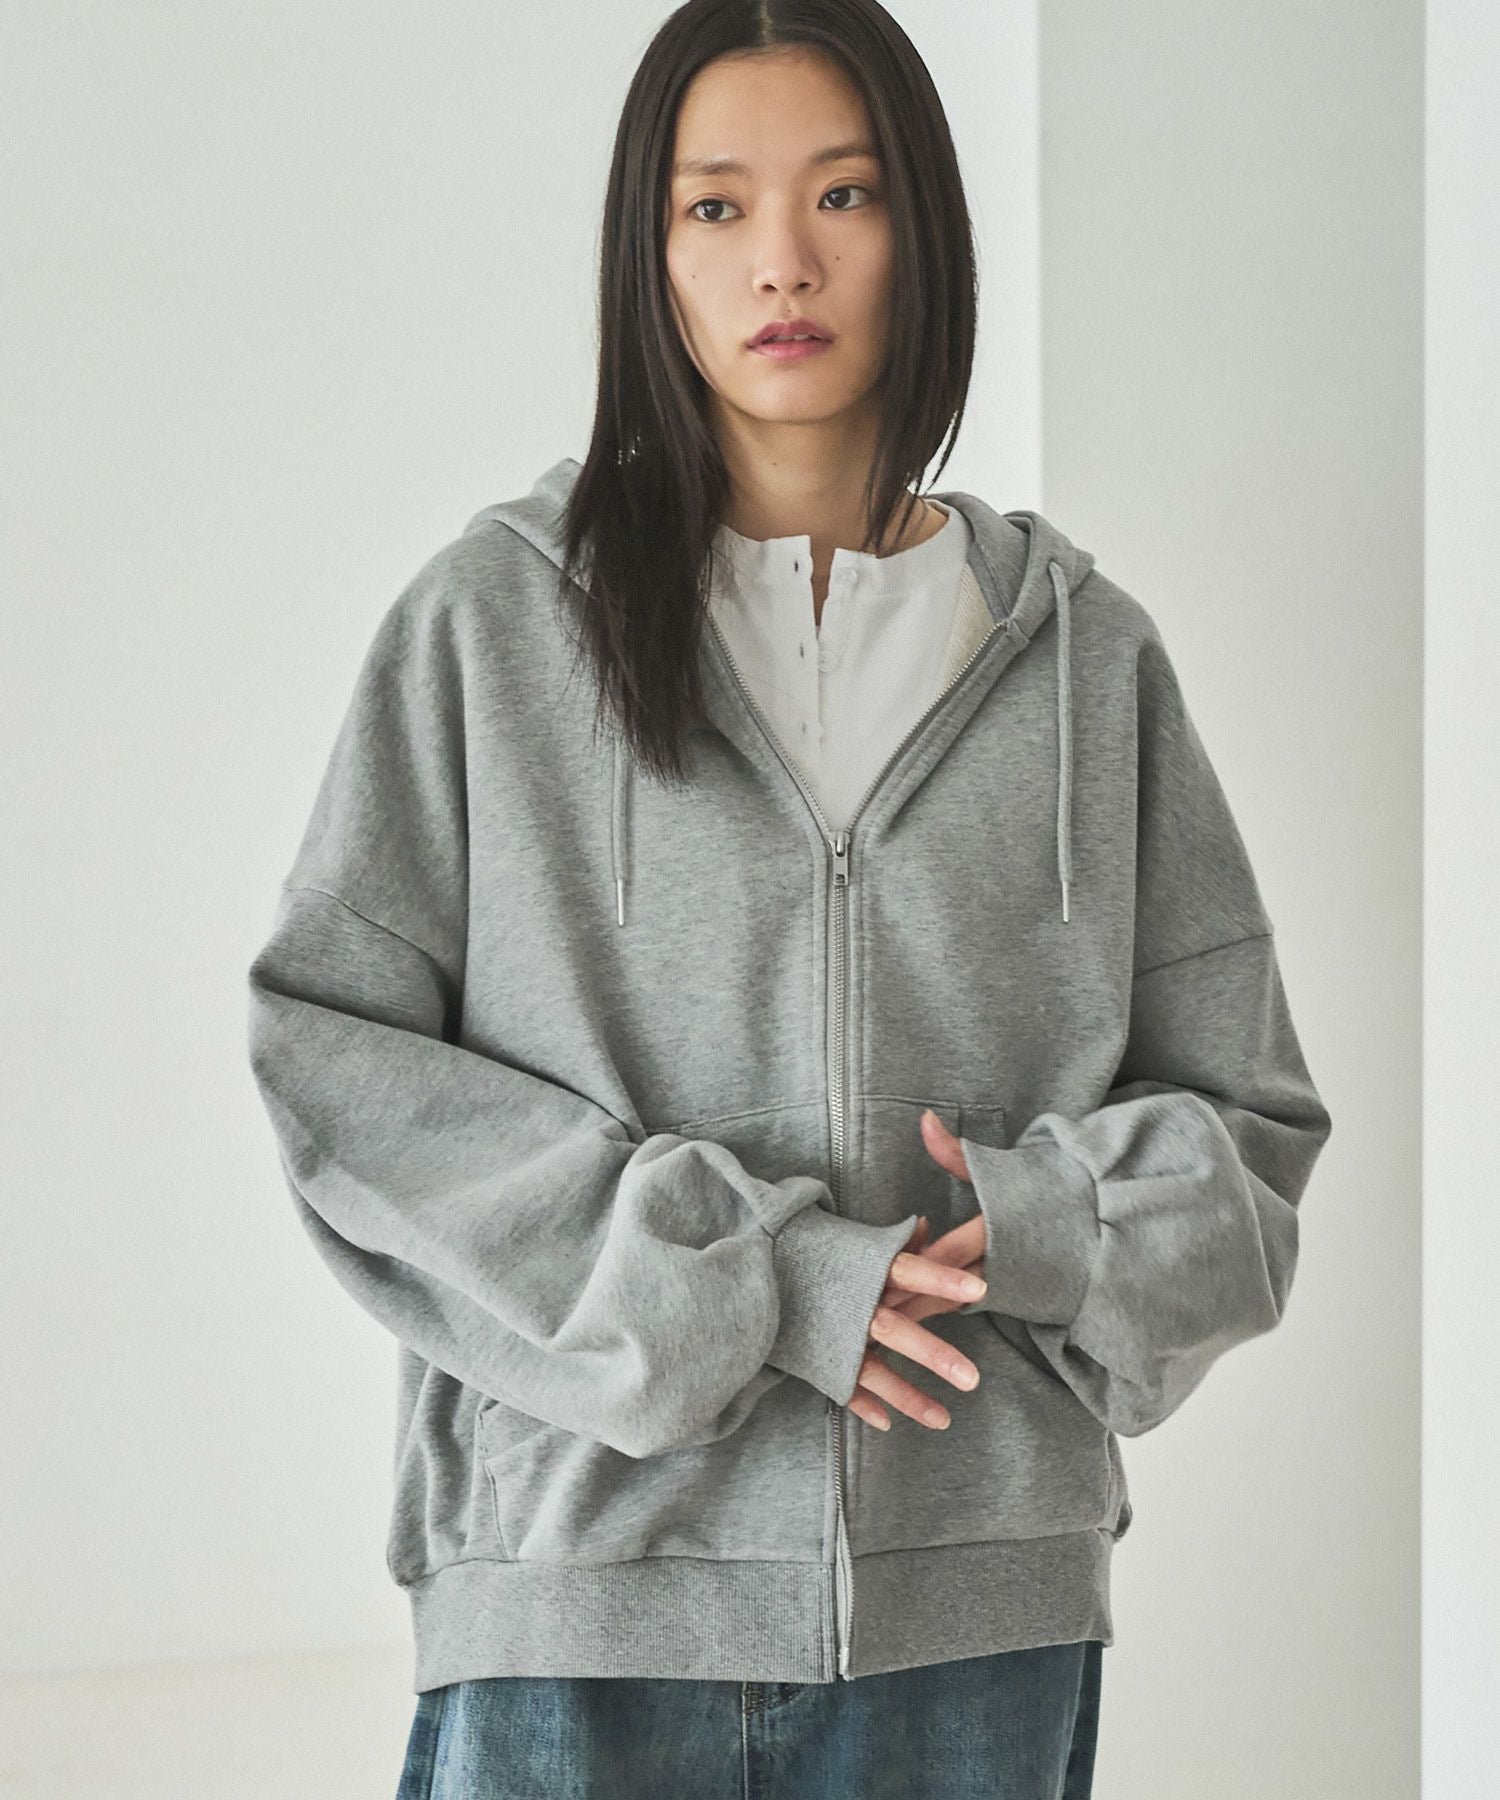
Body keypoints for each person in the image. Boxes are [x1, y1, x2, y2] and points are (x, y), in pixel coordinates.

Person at [244, 2, 1333, 1795]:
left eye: (844, 194)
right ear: (649, 254)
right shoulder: (490, 631)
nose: (783, 262)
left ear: (923, 230)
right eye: (715, 206)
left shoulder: (1087, 666)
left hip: (975, 1634)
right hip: (581, 1611)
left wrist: (1043, 1227)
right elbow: (338, 1072)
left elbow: (1251, 1143)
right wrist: (755, 1279)